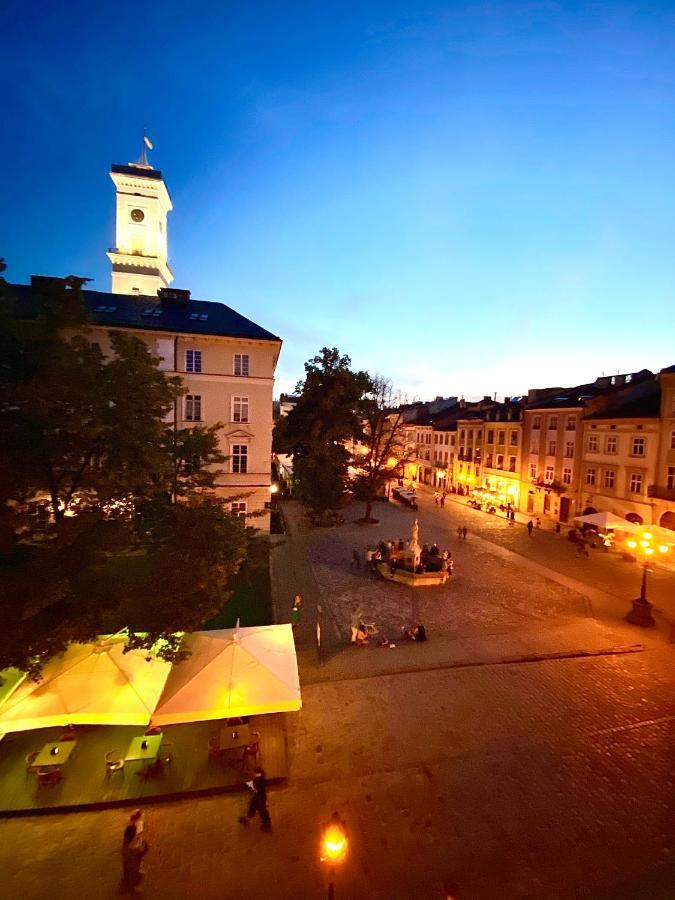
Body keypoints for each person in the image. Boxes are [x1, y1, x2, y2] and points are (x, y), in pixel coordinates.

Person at [239, 766, 272, 831]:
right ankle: (248, 818)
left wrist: (252, 783)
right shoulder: (257, 778)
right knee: (253, 806)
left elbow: (258, 785)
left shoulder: (259, 779)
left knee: (262, 809)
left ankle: (267, 824)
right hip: (258, 795)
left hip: (260, 796)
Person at [120, 821, 148, 893]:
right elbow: (141, 854)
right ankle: (135, 886)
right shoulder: (133, 850)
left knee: (128, 870)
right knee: (140, 875)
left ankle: (127, 879)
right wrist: (145, 846)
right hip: (134, 868)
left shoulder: (125, 847)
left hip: (128, 866)